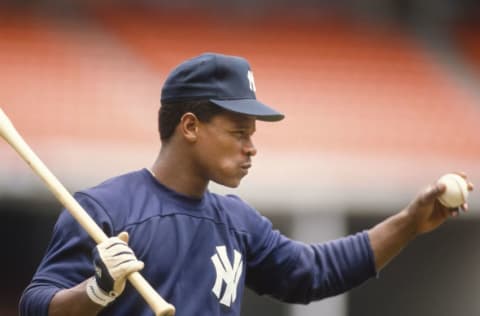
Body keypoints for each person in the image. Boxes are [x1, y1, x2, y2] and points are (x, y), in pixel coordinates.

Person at [19, 52, 474, 316]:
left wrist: (410, 223)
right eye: (239, 132)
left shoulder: (236, 221)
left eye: (253, 135)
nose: (252, 147)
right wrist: (96, 291)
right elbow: (36, 305)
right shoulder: (105, 209)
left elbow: (312, 273)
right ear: (191, 126)